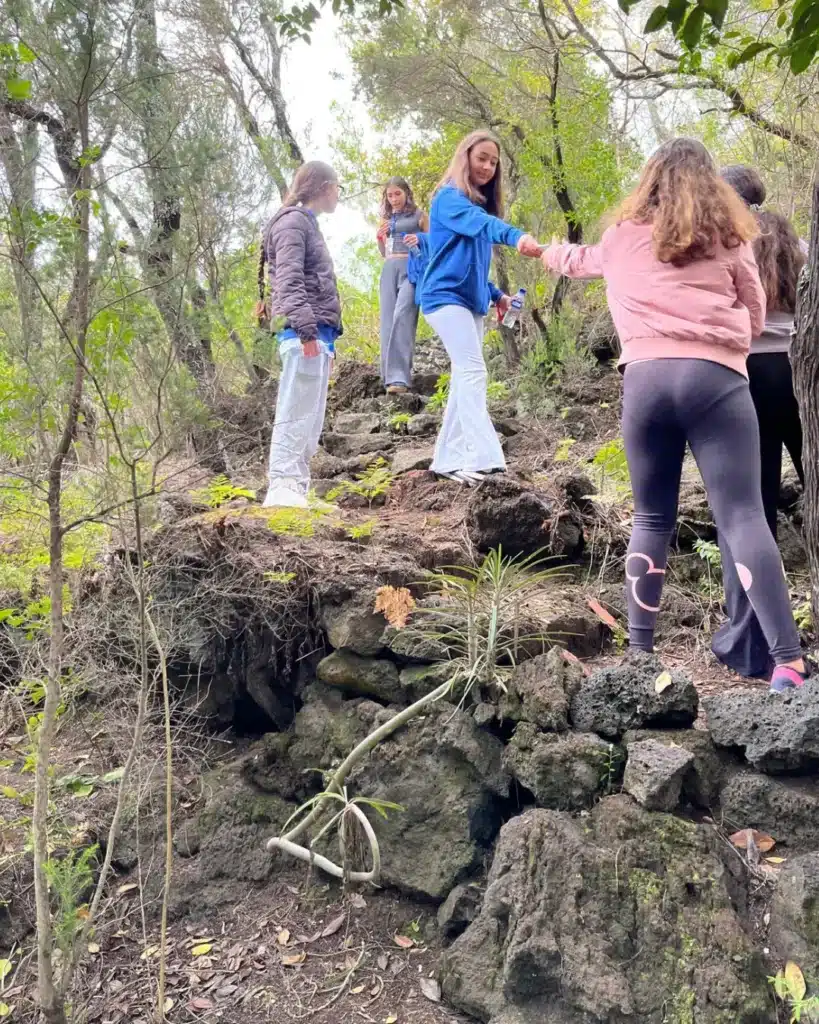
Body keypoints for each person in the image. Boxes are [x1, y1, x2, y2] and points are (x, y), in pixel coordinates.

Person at [541, 137, 808, 694]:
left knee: (651, 519)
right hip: (717, 381)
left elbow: (574, 260)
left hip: (645, 380)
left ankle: (640, 654)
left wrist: (532, 248)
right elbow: (756, 312)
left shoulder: (619, 238)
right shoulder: (731, 237)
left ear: (650, 180)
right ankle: (787, 663)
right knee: (743, 515)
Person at [712, 179, 807, 677]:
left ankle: (753, 641)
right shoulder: (797, 245)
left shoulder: (723, 246)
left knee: (750, 511)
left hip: (745, 378)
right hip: (802, 375)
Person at [421, 130, 542, 485]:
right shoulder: (448, 199)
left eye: (493, 161)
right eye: (482, 158)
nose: (488, 166)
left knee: (465, 375)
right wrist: (517, 236)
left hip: (469, 302)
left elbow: (468, 264)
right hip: (443, 299)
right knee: (474, 372)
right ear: (466, 158)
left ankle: (447, 459)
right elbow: (484, 227)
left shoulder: (472, 206)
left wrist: (496, 296)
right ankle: (484, 458)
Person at [261, 161, 342, 509]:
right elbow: (289, 281)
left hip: (317, 334)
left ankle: (298, 488)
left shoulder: (306, 223)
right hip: (302, 334)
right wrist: (308, 331)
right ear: (323, 186)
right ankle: (281, 486)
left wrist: (325, 339)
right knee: (295, 410)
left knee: (311, 416)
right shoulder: (293, 222)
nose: (339, 194)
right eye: (337, 186)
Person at [377, 177, 428, 395]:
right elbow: (383, 252)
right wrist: (379, 237)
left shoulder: (420, 215)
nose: (394, 199)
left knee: (403, 316)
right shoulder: (386, 218)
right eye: (390, 195)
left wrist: (419, 241)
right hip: (389, 268)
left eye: (397, 194)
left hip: (411, 268)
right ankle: (387, 377)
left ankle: (400, 377)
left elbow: (435, 241)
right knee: (388, 321)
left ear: (406, 193)